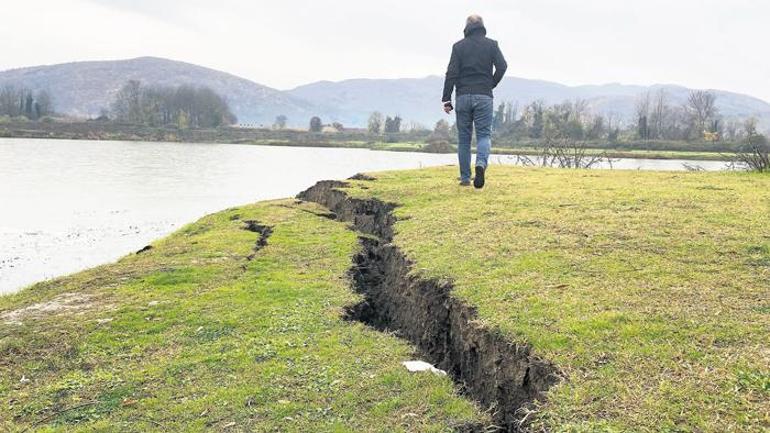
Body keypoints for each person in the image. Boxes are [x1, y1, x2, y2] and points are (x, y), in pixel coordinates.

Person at [442, 15, 507, 188]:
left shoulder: (458, 47)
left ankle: (465, 178)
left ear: (467, 28)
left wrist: (447, 99)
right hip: (484, 96)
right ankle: (480, 164)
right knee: (484, 135)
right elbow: (502, 66)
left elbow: (451, 73)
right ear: (482, 27)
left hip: (462, 96)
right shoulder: (492, 45)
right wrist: (490, 84)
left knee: (464, 139)